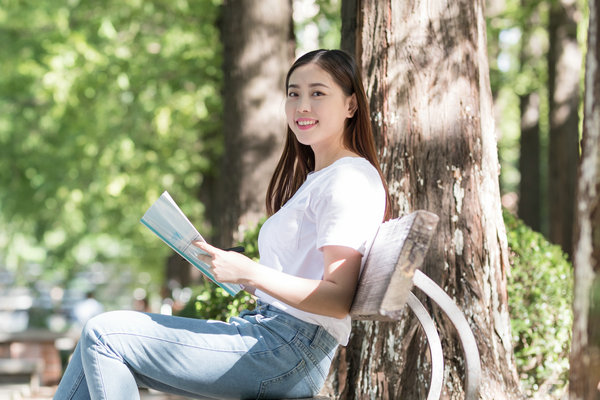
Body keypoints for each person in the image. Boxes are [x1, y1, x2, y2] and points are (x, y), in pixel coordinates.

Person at [53, 49, 390, 400]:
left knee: (104, 334)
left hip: (286, 350)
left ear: (351, 105)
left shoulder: (348, 179)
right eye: (293, 93)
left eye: (317, 93)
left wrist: (251, 273)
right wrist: (238, 274)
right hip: (272, 337)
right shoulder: (320, 178)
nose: (302, 106)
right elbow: (302, 280)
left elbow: (337, 299)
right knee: (96, 343)